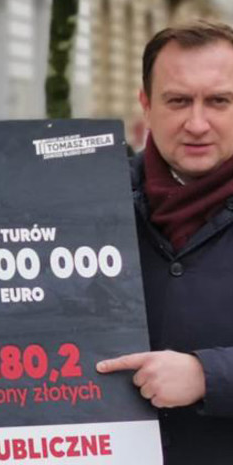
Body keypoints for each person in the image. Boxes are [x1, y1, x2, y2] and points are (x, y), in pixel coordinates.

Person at [96, 20, 233, 465]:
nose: (197, 123)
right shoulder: (88, 199)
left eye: (219, 101)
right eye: (178, 101)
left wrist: (208, 375)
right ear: (146, 104)